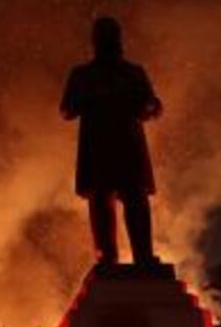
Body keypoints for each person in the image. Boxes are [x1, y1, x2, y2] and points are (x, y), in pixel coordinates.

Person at [61, 16, 163, 268]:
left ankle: (143, 257)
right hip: (99, 149)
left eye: (112, 36)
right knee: (101, 202)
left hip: (128, 147)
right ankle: (107, 259)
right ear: (95, 41)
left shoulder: (133, 73)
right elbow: (66, 109)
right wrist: (94, 97)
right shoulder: (83, 75)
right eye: (104, 36)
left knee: (136, 199)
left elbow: (152, 106)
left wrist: (150, 105)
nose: (110, 41)